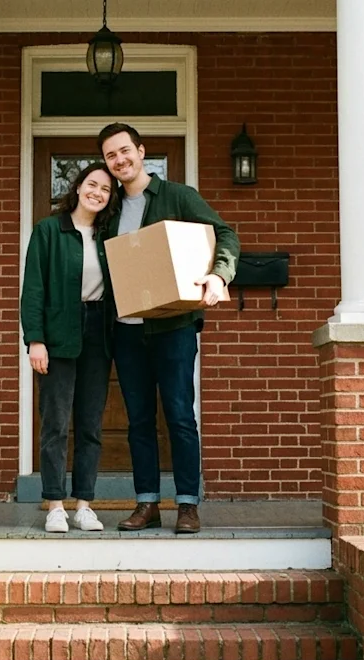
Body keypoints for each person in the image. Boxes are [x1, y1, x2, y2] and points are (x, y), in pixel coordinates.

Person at [98, 122, 239, 534]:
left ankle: (187, 504)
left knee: (179, 415)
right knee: (138, 419)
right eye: (111, 156)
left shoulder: (178, 196)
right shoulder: (109, 210)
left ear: (141, 151)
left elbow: (226, 234)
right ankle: (146, 504)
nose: (120, 160)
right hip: (126, 330)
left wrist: (219, 276)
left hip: (174, 325)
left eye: (125, 150)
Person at [20, 163, 120, 533]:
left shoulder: (109, 237)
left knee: (90, 424)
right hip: (58, 331)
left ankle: (84, 505)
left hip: (99, 333)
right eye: (92, 184)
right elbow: (34, 289)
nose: (97, 192)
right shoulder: (49, 230)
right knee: (56, 424)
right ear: (78, 187)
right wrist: (35, 339)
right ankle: (56, 505)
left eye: (106, 190)